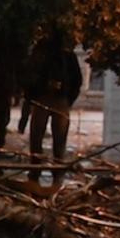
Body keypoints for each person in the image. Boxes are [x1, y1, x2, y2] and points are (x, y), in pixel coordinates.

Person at [22, 39, 83, 183]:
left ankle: (56, 174)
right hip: (42, 98)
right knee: (37, 139)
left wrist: (68, 98)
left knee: (58, 141)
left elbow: (76, 80)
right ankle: (36, 173)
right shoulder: (40, 52)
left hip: (58, 100)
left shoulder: (67, 55)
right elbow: (28, 76)